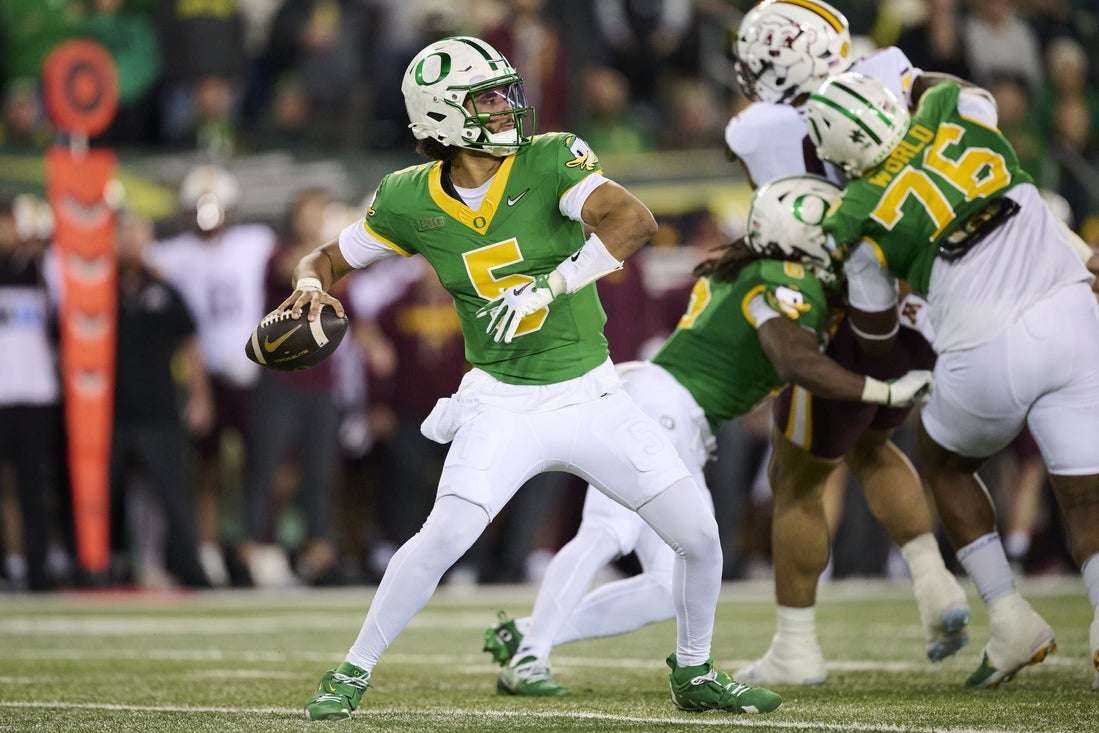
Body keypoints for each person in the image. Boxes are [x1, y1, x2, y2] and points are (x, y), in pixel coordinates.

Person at [284, 36, 782, 719]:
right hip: (503, 400)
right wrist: (309, 286)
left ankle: (693, 670)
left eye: (502, 93)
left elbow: (631, 221)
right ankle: (353, 669)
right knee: (444, 535)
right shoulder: (406, 197)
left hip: (591, 392)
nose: (505, 107)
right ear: (441, 116)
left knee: (698, 537)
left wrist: (552, 285)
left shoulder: (550, 157)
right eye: (485, 98)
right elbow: (325, 259)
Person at [482, 175, 935, 692]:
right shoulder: (781, 276)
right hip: (663, 408)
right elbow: (796, 360)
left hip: (673, 415)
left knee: (669, 583)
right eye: (829, 233)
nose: (838, 244)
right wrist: (883, 391)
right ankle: (531, 657)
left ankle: (527, 635)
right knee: (609, 530)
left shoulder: (757, 270)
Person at [806, 70, 1098, 689]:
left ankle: (1010, 616)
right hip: (1072, 317)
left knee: (942, 463)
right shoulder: (953, 108)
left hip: (985, 348)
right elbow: (955, 86)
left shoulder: (853, 214)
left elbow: (877, 334)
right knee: (1084, 487)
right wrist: (914, 78)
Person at [724, 0, 967, 684]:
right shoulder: (887, 72)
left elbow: (780, 222)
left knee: (795, 479)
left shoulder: (754, 131)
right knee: (871, 445)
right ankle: (934, 581)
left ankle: (795, 648)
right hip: (923, 300)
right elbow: (963, 101)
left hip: (845, 313)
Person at [111, 211, 211, 588]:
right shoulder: (97, 290)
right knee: (109, 493)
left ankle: (173, 565)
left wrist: (199, 397)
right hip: (109, 410)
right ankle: (108, 565)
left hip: (158, 406)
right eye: (123, 234)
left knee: (167, 490)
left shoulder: (165, 290)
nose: (130, 242)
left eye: (137, 234)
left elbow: (190, 345)